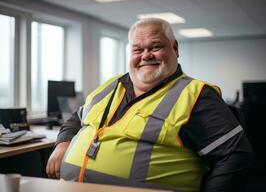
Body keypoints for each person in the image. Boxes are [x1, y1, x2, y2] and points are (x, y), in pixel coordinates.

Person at [46, 18, 254, 192]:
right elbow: (77, 118)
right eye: (137, 49)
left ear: (174, 49)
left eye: (155, 47)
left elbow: (235, 156)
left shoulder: (196, 95)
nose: (146, 55)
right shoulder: (112, 85)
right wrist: (63, 142)